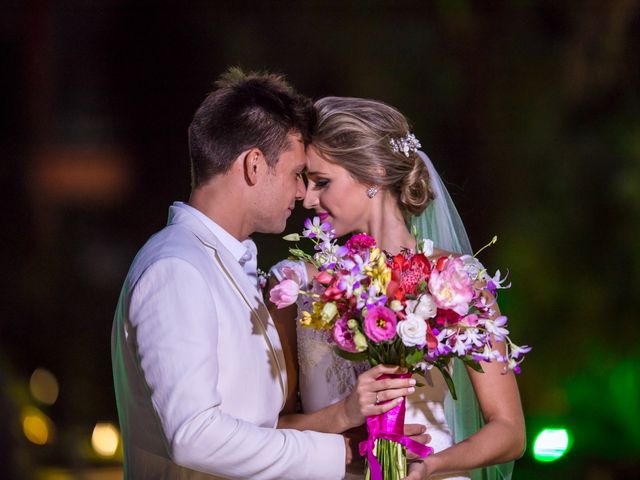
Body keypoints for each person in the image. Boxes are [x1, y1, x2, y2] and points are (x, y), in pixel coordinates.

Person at [112, 69, 355, 479]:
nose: (301, 193)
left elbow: (253, 424)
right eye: (296, 174)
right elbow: (194, 434)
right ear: (254, 165)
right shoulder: (176, 269)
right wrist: (335, 457)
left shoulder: (220, 264)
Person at [269, 97, 526, 480]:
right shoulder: (297, 286)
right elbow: (274, 427)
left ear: (373, 174)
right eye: (306, 183)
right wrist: (344, 419)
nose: (308, 199)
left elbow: (510, 431)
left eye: (322, 182)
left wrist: (430, 465)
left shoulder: (456, 281)